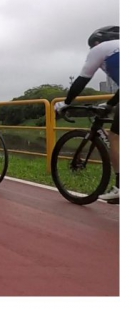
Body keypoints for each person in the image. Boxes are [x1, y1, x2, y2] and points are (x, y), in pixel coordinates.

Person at [54, 26, 119, 203]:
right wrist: (110, 104)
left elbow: (82, 80)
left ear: (97, 42)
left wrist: (66, 103)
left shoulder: (100, 49)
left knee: (115, 136)